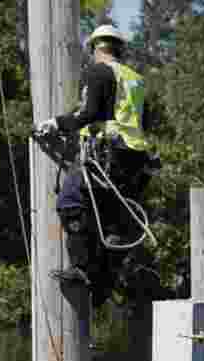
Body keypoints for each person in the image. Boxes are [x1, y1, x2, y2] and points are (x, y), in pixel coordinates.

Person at [35, 24, 155, 307]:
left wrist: (55, 124)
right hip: (135, 162)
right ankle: (103, 284)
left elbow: (87, 113)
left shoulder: (97, 71)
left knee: (70, 201)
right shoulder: (135, 79)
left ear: (94, 48)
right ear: (120, 49)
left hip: (109, 157)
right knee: (111, 223)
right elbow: (142, 122)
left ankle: (81, 268)